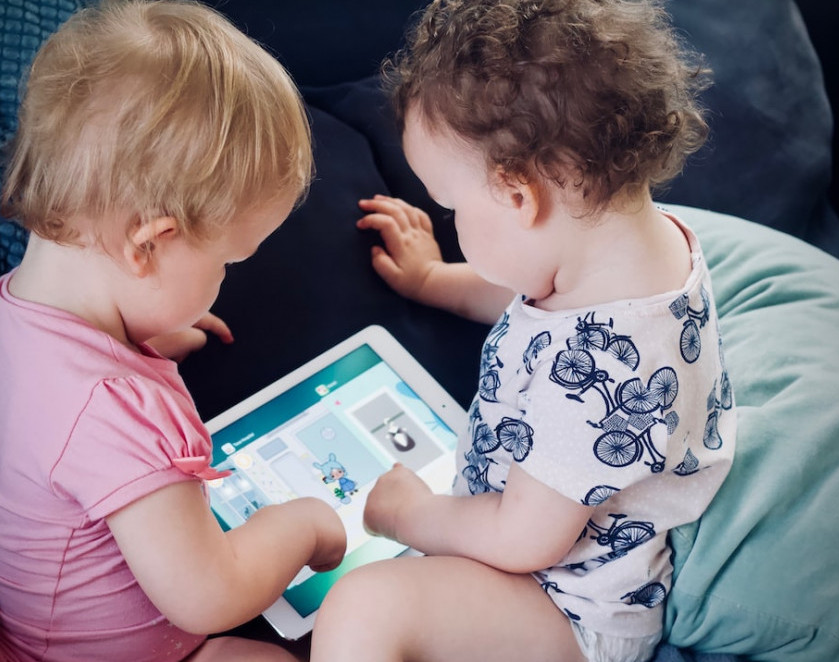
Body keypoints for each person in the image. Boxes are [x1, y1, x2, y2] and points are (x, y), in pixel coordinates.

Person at [310, 1, 736, 661]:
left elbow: (522, 539)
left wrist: (407, 514)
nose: (447, 219)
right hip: (534, 559)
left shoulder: (608, 382)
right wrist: (431, 280)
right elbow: (536, 295)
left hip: (567, 608)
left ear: (518, 197)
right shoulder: (617, 248)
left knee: (365, 607)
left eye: (449, 205)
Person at [0, 2, 346, 660]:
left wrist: (144, 336)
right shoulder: (121, 415)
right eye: (225, 262)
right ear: (148, 247)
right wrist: (300, 526)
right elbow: (209, 595)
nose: (227, 279)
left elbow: (51, 435)